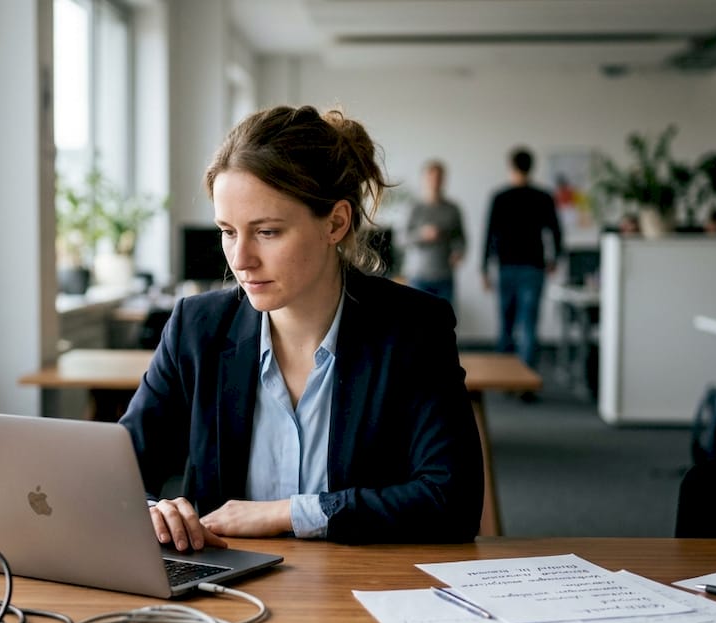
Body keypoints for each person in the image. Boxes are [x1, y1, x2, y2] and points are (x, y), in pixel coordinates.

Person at [120, 105, 483, 551]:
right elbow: (120, 475)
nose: (240, 260)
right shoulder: (196, 328)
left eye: (267, 232)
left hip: (360, 593)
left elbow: (453, 499)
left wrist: (287, 512)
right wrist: (153, 510)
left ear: (335, 222)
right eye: (228, 231)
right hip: (223, 597)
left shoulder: (412, 328)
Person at [482, 146, 563, 382]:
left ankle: (503, 378)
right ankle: (525, 379)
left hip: (506, 267)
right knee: (528, 325)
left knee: (505, 323)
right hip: (533, 267)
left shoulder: (500, 197)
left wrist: (483, 269)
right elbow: (556, 231)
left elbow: (489, 235)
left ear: (511, 166)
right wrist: (554, 258)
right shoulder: (543, 196)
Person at [398, 160, 466, 304]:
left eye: (438, 178)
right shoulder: (414, 208)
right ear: (424, 179)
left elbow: (461, 238)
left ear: (443, 180)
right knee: (419, 324)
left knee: (445, 323)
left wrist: (459, 252)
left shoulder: (453, 209)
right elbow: (401, 239)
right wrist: (422, 235)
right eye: (431, 177)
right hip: (419, 276)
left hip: (445, 276)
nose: (435, 182)